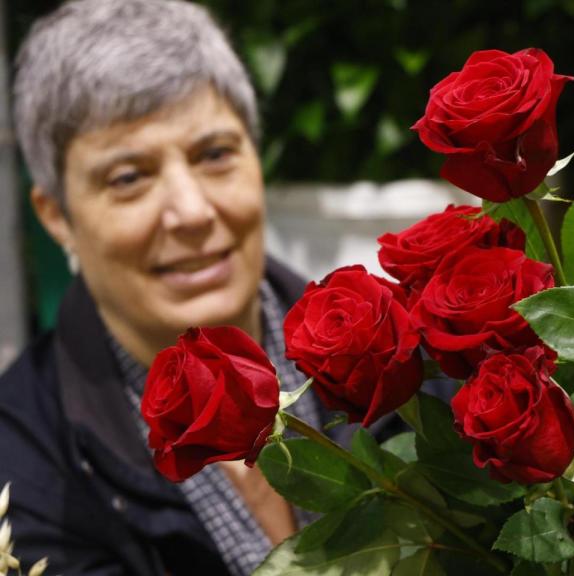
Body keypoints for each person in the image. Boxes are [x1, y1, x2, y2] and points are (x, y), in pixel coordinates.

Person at [0, 1, 407, 574]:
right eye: (129, 178)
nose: (191, 212)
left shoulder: (396, 360)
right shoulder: (25, 481)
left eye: (215, 155)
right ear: (56, 216)